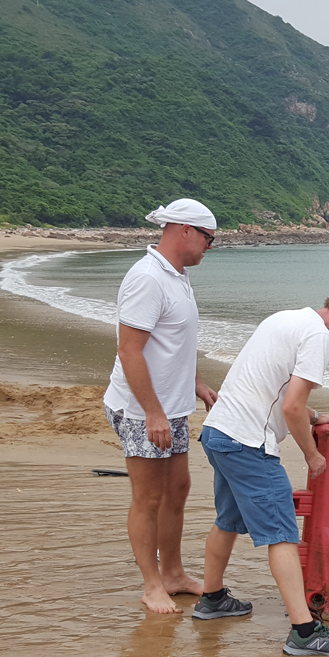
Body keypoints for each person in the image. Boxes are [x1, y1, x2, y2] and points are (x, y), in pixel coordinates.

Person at [191, 282, 329, 657]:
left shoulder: (286, 319)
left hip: (219, 432)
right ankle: (304, 631)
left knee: (228, 519)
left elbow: (268, 386)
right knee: (282, 534)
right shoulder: (319, 337)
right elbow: (291, 406)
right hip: (248, 443)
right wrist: (312, 455)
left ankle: (211, 599)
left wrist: (313, 416)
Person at [103, 198, 219, 614]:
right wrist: (151, 411)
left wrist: (197, 384)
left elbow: (174, 344)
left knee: (179, 489)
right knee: (148, 497)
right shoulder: (147, 278)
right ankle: (152, 584)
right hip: (140, 407)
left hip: (172, 404)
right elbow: (130, 351)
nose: (210, 246)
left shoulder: (178, 275)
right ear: (184, 230)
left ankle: (173, 573)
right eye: (209, 238)